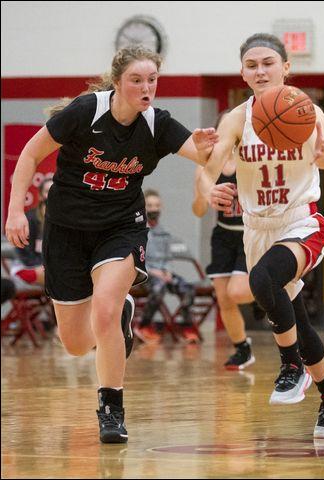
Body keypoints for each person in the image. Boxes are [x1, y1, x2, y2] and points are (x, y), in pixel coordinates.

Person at [4, 46, 218, 444]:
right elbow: (31, 154)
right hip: (66, 230)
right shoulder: (86, 112)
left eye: (152, 79)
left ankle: (111, 409)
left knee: (104, 307)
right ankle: (121, 319)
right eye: (137, 80)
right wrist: (16, 210)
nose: (146, 87)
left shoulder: (158, 124)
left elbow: (204, 156)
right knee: (75, 343)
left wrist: (209, 146)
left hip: (121, 227)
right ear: (118, 81)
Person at [199, 33, 324, 438]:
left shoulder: (305, 110)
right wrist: (208, 189)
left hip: (300, 222)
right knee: (298, 324)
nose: (260, 70)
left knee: (262, 280)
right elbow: (207, 168)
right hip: (257, 228)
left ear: (287, 67)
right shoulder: (235, 118)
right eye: (252, 65)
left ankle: (290, 366)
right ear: (243, 73)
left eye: (268, 62)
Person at [193, 111, 257, 369]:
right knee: (224, 299)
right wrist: (203, 196)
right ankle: (243, 348)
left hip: (250, 234)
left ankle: (270, 289)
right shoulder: (207, 164)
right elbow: (197, 211)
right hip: (222, 234)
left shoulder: (252, 159)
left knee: (238, 291)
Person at [133, 188, 200, 344]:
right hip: (146, 274)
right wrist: (154, 272)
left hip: (163, 272)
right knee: (159, 287)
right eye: (150, 205)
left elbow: (168, 256)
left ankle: (186, 326)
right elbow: (136, 258)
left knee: (187, 288)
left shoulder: (164, 232)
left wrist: (167, 271)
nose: (154, 209)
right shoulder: (138, 231)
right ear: (143, 207)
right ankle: (144, 325)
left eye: (157, 205)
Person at [10, 177, 53, 286]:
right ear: (40, 195)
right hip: (27, 267)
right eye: (48, 191)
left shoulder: (63, 220)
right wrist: (43, 266)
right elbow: (24, 253)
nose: (52, 195)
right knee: (57, 276)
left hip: (50, 268)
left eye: (55, 191)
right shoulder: (29, 219)